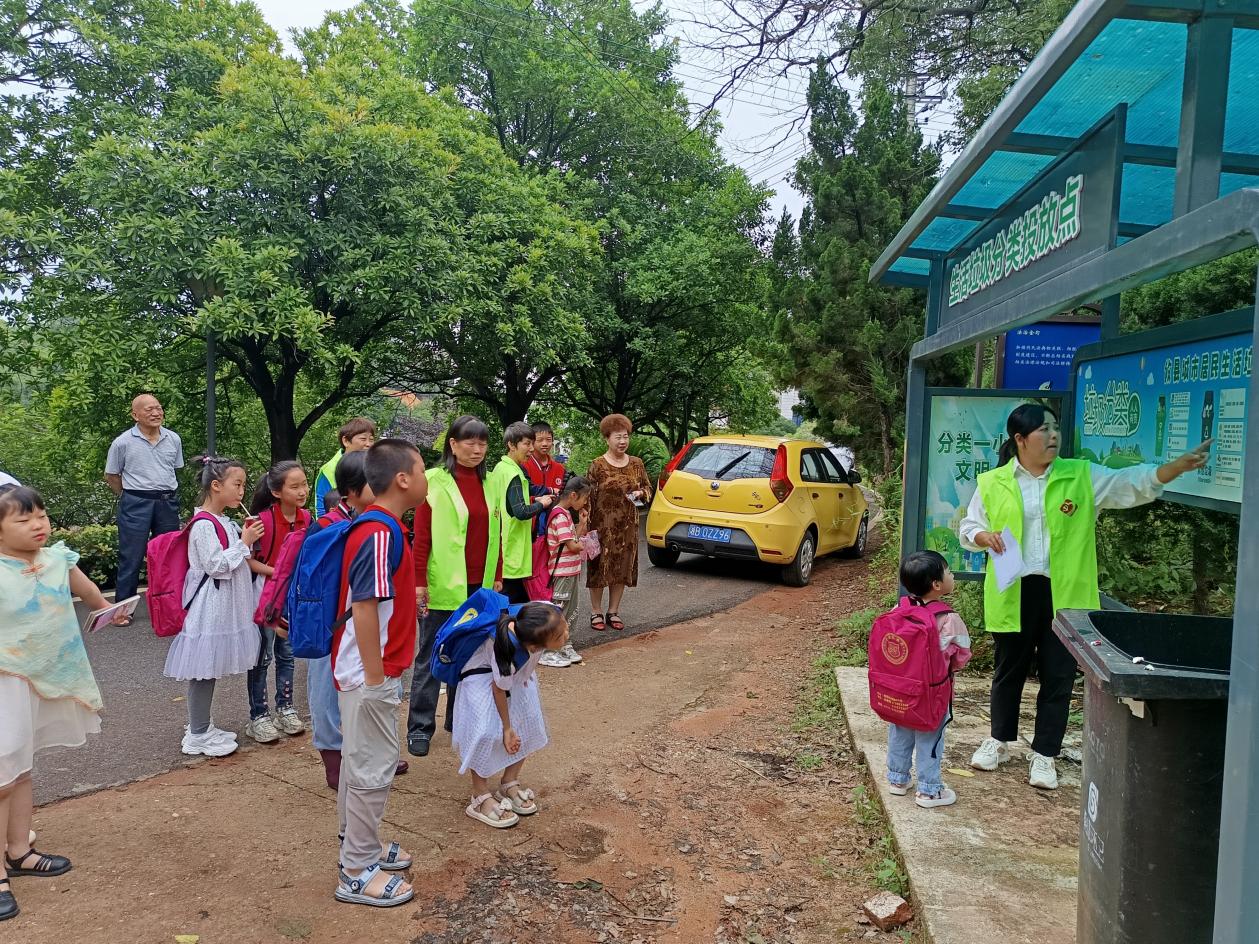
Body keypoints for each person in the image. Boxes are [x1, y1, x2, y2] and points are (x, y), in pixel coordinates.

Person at [960, 403, 1209, 790]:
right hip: (1014, 589)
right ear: (1020, 439)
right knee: (1008, 669)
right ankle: (999, 739)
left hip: (1066, 594)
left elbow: (1128, 484)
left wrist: (1171, 469)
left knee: (1058, 674)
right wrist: (982, 536)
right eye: (1044, 430)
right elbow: (969, 525)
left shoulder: (1080, 475)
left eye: (1055, 428)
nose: (1053, 436)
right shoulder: (993, 481)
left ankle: (1045, 754)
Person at [0, 486, 122, 922]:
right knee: (2, 776)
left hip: (45, 679)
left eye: (42, 515)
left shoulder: (57, 559)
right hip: (5, 680)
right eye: (23, 519)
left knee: (21, 768)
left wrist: (110, 609)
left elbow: (90, 594)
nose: (38, 525)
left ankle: (19, 851)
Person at [332, 439, 426, 908]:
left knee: (360, 761)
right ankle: (356, 869)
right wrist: (375, 679)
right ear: (403, 479)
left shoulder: (380, 527)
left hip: (368, 667)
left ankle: (358, 842)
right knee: (372, 765)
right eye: (422, 469)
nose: (427, 478)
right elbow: (365, 607)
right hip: (370, 670)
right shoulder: (380, 532)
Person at [408, 415, 504, 758]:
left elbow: (497, 531)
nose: (477, 450)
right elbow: (422, 538)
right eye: (470, 442)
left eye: (482, 443)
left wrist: (498, 573)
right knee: (431, 656)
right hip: (443, 585)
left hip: (480, 585)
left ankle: (457, 719)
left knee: (468, 656)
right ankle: (420, 726)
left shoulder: (491, 482)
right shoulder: (434, 481)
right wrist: (419, 582)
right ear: (453, 444)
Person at [162, 457, 266, 758]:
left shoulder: (223, 522)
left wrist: (244, 539)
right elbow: (216, 565)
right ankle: (197, 734)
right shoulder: (204, 525)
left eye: (244, 485)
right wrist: (244, 542)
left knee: (208, 668)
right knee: (203, 670)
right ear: (216, 485)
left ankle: (202, 726)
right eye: (237, 484)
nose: (242, 492)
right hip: (209, 607)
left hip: (222, 607)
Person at [454, 603, 569, 829]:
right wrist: (507, 728)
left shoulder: (543, 616)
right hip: (482, 677)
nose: (566, 632)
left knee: (529, 721)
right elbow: (499, 689)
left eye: (564, 625)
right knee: (485, 733)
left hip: (518, 674)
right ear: (535, 646)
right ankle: (479, 795)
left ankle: (509, 781)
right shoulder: (506, 651)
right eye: (559, 635)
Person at [882, 551, 972, 809]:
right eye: (949, 572)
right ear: (937, 584)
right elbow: (962, 655)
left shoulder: (899, 609)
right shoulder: (949, 619)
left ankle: (898, 779)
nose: (952, 575)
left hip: (900, 688)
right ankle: (929, 791)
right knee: (930, 736)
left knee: (900, 730)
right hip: (932, 692)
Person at [243, 461, 311, 744]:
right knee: (262, 655)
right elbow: (248, 560)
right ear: (276, 491)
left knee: (287, 653)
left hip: (291, 596)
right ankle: (258, 715)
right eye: (294, 486)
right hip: (266, 595)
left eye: (304, 484)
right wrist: (280, 572)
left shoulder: (307, 518)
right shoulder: (260, 521)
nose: (302, 491)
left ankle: (285, 708)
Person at [104, 393, 184, 622]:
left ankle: (167, 608)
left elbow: (174, 468)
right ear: (135, 415)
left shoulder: (173, 438)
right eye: (149, 409)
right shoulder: (122, 442)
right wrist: (129, 496)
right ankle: (122, 611)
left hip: (167, 502)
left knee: (167, 556)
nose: (156, 413)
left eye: (158, 408)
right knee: (131, 556)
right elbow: (111, 475)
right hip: (135, 502)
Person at [585, 414, 652, 632]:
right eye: (618, 437)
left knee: (621, 568)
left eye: (625, 437)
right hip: (601, 526)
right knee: (598, 567)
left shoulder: (636, 464)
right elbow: (587, 497)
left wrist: (641, 493)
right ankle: (596, 611)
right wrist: (585, 526)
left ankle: (613, 611)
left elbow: (648, 489)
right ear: (607, 439)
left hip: (627, 528)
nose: (622, 441)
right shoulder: (597, 465)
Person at [489, 422, 554, 605]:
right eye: (527, 444)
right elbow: (521, 511)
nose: (531, 449)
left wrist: (534, 499)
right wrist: (542, 504)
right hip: (513, 550)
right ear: (511, 444)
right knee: (512, 605)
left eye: (532, 443)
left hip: (502, 545)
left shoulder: (501, 468)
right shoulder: (513, 473)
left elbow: (508, 503)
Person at [538, 477, 590, 668]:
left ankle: (564, 644)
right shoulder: (559, 516)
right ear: (574, 495)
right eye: (584, 498)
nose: (585, 502)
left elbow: (574, 537)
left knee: (571, 610)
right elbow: (573, 546)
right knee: (559, 611)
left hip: (571, 571)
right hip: (562, 573)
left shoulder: (566, 514)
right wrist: (585, 544)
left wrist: (582, 523)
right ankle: (548, 650)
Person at [314, 417, 377, 516]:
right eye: (363, 439)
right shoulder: (329, 470)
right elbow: (321, 509)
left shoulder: (374, 466)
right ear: (346, 441)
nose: (368, 444)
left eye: (371, 439)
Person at [526, 421, 566, 496]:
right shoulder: (524, 465)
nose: (545, 444)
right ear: (531, 441)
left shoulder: (560, 469)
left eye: (548, 439)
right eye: (540, 440)